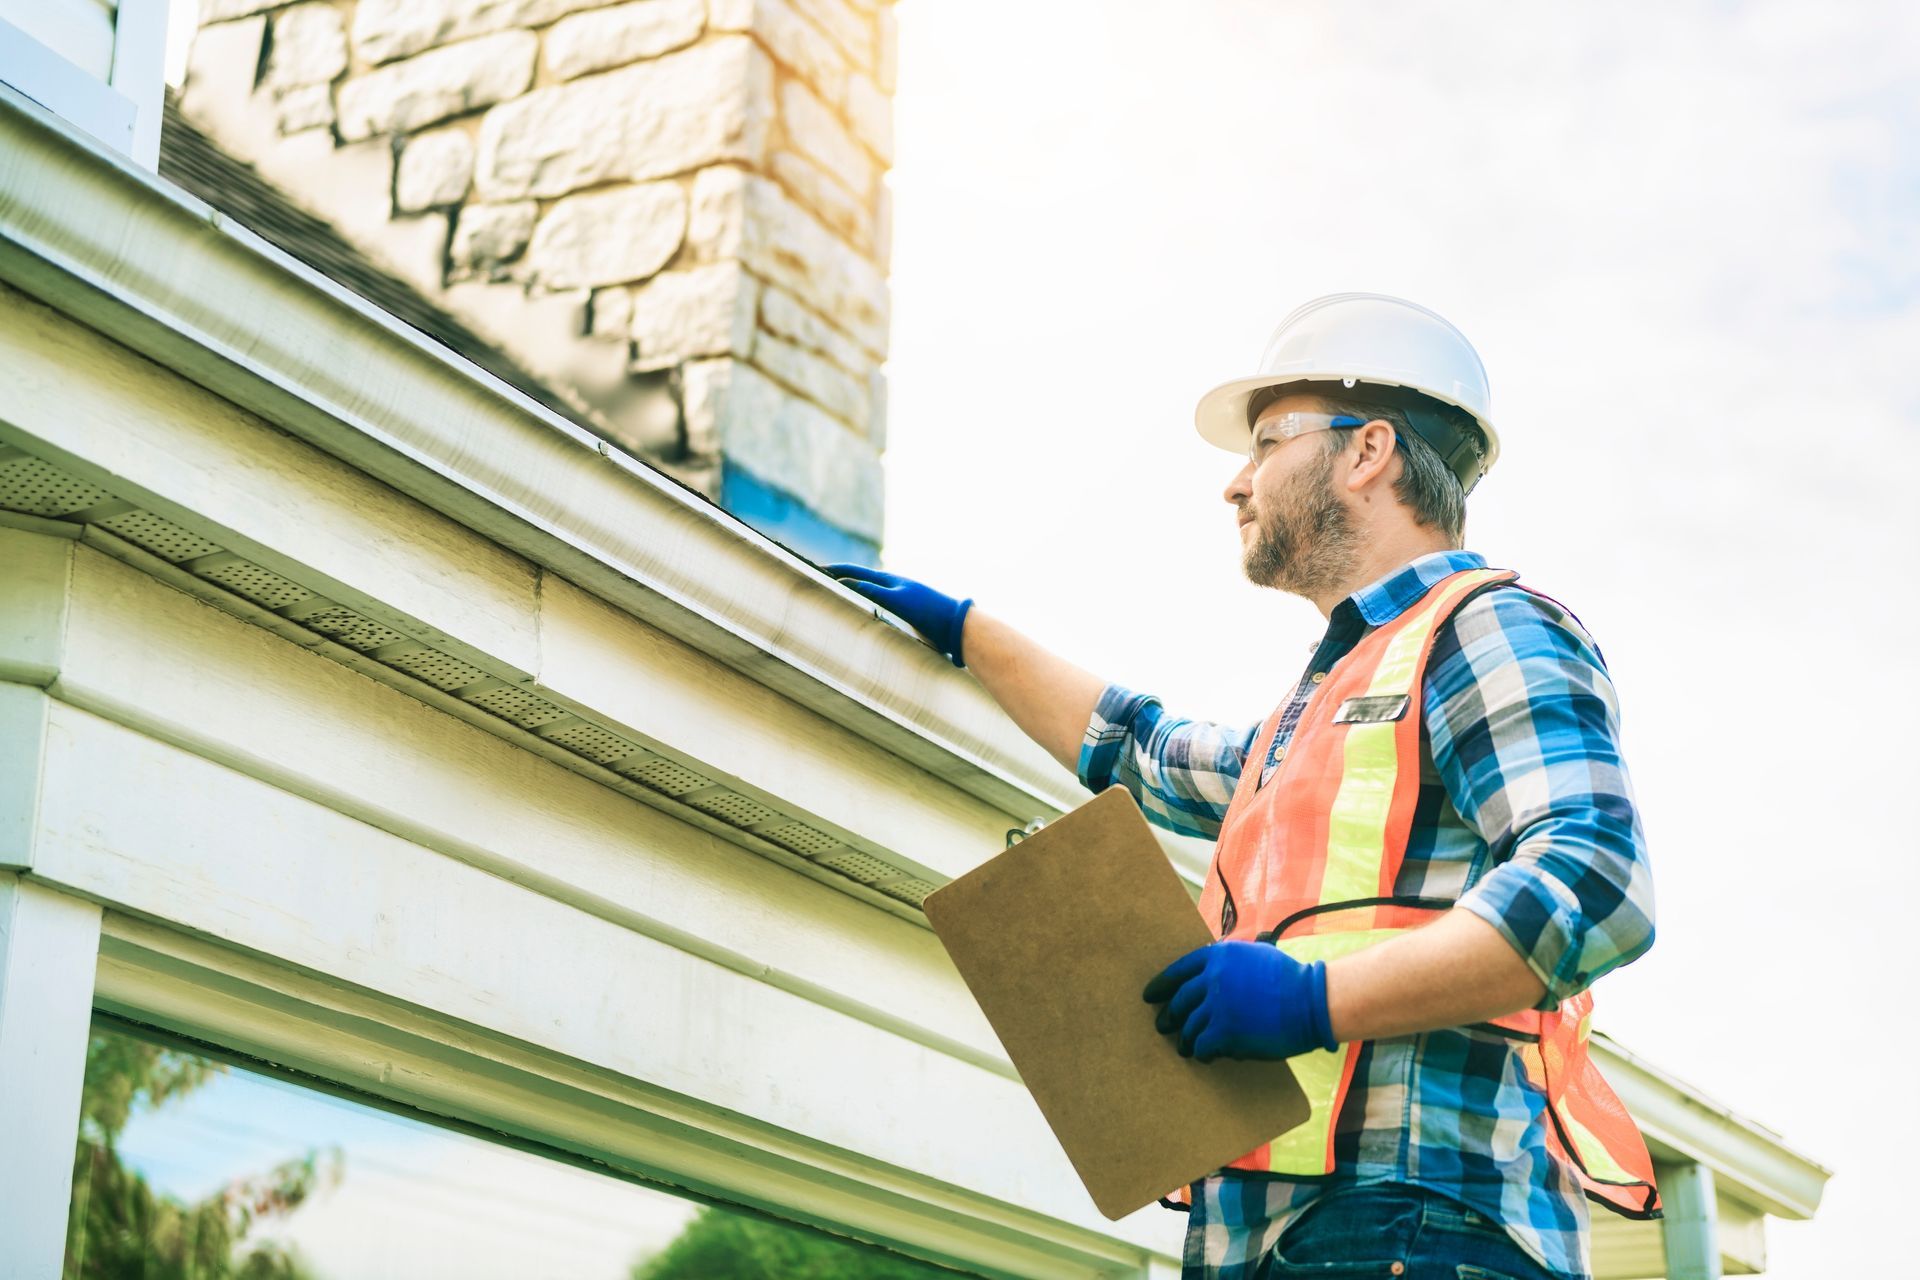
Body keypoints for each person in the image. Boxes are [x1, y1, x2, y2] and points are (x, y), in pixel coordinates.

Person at [831, 294, 1660, 1280]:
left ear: (1368, 452)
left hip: (1420, 1226)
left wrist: (1311, 998)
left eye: (1267, 440)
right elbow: (1142, 749)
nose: (1236, 482)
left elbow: (1597, 882)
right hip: (1280, 1238)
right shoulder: (1318, 712)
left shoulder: (1490, 628)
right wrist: (969, 630)